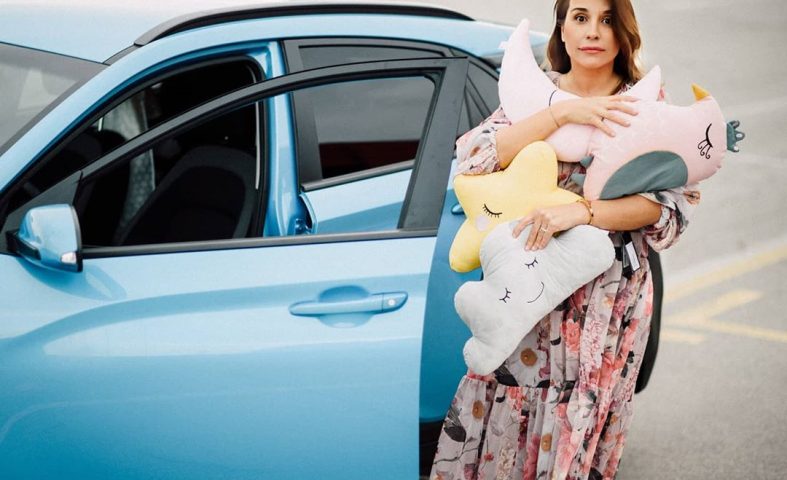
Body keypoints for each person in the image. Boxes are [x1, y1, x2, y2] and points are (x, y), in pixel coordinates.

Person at [430, 0, 700, 479]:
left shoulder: (645, 102)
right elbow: (474, 158)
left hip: (606, 301)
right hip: (528, 296)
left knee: (580, 425)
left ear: (623, 31)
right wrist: (564, 114)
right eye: (580, 17)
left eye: (607, 19)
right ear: (562, 29)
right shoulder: (537, 94)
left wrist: (582, 213)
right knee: (509, 416)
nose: (593, 31)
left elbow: (670, 205)